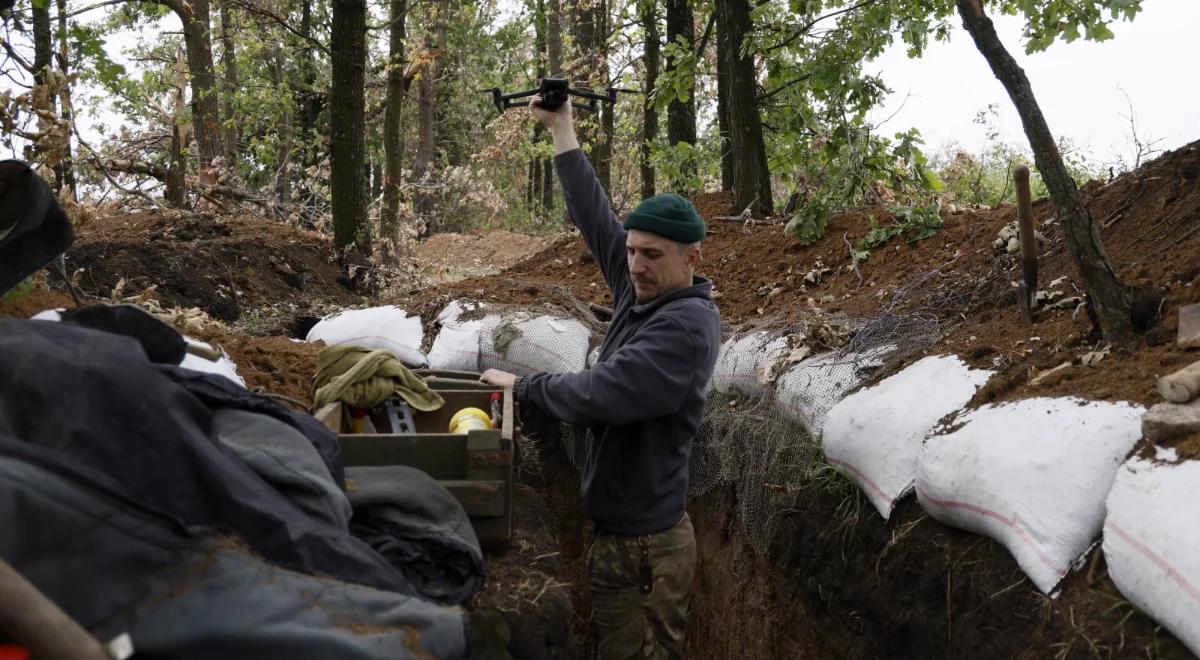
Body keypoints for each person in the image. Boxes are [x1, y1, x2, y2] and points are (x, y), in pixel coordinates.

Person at [480, 95, 721, 659]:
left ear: (692, 260)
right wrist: (562, 129)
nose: (635, 264)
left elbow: (603, 395)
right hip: (621, 537)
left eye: (651, 255)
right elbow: (595, 217)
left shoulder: (684, 327)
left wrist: (525, 387)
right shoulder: (643, 289)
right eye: (632, 250)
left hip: (646, 552)